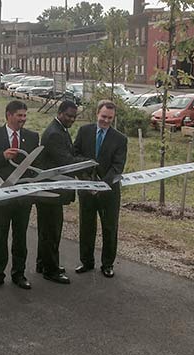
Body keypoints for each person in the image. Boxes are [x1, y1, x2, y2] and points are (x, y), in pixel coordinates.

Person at [0, 100, 44, 290]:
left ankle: (19, 274)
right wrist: (2, 156)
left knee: (21, 237)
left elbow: (36, 167)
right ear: (9, 115)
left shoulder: (33, 137)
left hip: (23, 198)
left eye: (25, 116)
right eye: (19, 115)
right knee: (0, 236)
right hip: (1, 196)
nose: (23, 119)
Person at [35, 100, 88, 284]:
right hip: (51, 191)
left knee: (46, 229)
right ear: (59, 113)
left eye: (74, 117)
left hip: (49, 190)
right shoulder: (54, 134)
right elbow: (66, 162)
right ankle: (51, 270)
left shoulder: (60, 130)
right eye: (68, 116)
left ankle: (43, 263)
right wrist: (88, 163)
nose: (71, 119)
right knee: (52, 230)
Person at [74, 100, 128, 278]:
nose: (106, 121)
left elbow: (117, 167)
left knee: (109, 228)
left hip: (109, 192)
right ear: (97, 113)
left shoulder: (120, 139)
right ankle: (86, 262)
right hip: (86, 189)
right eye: (103, 116)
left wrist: (101, 186)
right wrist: (86, 180)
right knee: (86, 226)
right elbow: (75, 156)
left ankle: (107, 264)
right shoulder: (84, 131)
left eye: (110, 118)